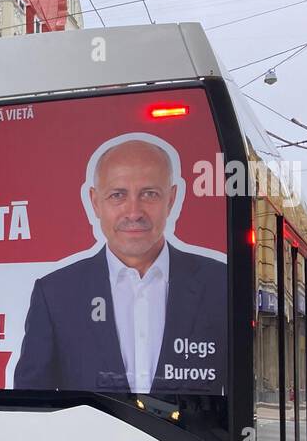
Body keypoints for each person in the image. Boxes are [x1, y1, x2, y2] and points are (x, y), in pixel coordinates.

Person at [12, 135, 226, 394]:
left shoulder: (221, 285)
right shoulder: (55, 294)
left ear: (171, 199)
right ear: (95, 202)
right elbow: (32, 402)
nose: (134, 212)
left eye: (149, 194)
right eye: (117, 195)